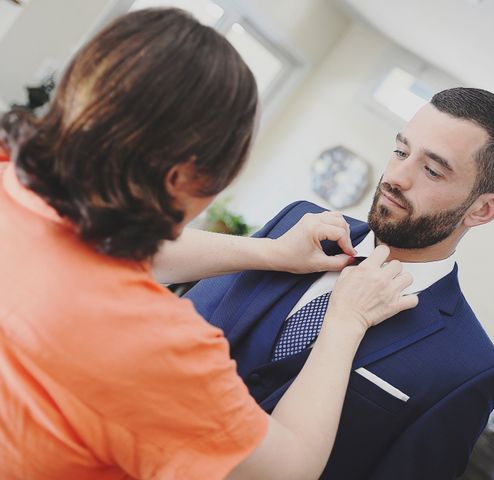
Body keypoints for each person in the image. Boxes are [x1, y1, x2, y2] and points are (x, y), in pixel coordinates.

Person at [0, 9, 418, 480]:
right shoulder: (149, 343)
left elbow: (91, 254)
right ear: (181, 177)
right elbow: (286, 469)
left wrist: (272, 253)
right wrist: (346, 321)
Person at [186, 87, 494, 479]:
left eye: (432, 170)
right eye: (401, 151)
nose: (396, 177)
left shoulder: (469, 369)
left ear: (483, 209)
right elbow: (175, 325)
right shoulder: (298, 225)